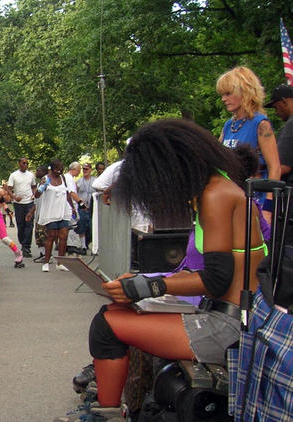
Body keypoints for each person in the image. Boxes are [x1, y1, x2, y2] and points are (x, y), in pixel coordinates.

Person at [57, 119, 266, 421]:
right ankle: (111, 408)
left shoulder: (216, 195)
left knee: (107, 326)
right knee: (114, 315)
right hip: (227, 315)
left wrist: (146, 287)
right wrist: (146, 282)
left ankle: (108, 414)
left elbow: (216, 279)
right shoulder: (219, 186)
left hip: (230, 328)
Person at [216, 66, 280, 215]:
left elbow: (275, 168)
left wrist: (269, 208)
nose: (223, 99)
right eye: (222, 94)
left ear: (244, 92)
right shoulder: (228, 126)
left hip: (256, 200)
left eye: (228, 93)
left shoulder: (261, 124)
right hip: (231, 198)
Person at [36, 159, 76, 272]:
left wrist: (72, 207)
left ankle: (60, 262)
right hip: (51, 212)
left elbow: (67, 193)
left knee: (63, 237)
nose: (59, 171)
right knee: (51, 236)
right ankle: (46, 262)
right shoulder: (46, 178)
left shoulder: (63, 178)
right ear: (52, 169)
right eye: (57, 169)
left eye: (61, 169)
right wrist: (41, 188)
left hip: (63, 211)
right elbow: (37, 195)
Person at [6, 157, 36, 257]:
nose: (25, 165)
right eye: (23, 163)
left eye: (27, 163)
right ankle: (22, 242)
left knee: (29, 224)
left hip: (29, 202)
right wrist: (14, 197)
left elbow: (33, 186)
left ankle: (27, 247)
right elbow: (9, 189)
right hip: (18, 203)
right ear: (19, 163)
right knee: (21, 224)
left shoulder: (31, 175)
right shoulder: (14, 175)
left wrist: (34, 194)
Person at [265, 84, 293, 180]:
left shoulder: (291, 125)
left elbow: (282, 167)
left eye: (276, 107)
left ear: (284, 102)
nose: (276, 112)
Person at [76, 163, 96, 252]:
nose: (85, 171)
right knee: (82, 226)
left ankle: (90, 243)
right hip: (82, 207)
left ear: (90, 170)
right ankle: (83, 245)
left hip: (92, 207)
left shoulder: (95, 181)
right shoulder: (79, 181)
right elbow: (75, 194)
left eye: (87, 169)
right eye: (83, 169)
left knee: (91, 227)